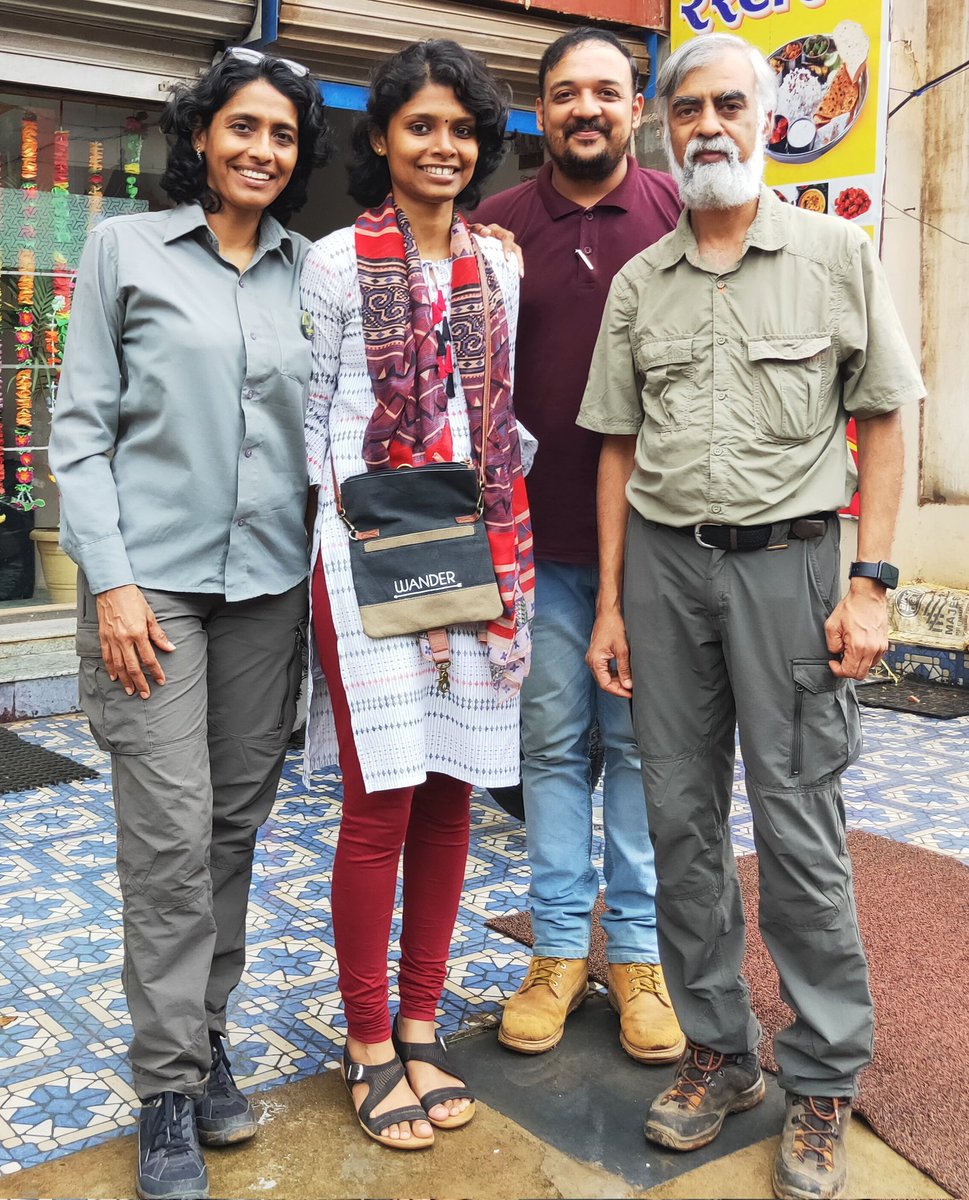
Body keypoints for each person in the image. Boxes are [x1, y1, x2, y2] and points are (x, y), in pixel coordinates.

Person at [578, 33, 924, 1200]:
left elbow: (886, 416)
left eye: (731, 103)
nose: (709, 124)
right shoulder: (640, 283)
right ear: (664, 128)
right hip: (666, 572)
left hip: (793, 569)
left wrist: (872, 583)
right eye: (689, 108)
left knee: (798, 826)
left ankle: (822, 1077)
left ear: (767, 117)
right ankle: (720, 1053)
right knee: (678, 820)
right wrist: (612, 605)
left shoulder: (834, 255)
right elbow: (617, 447)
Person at [50, 49, 328, 1200]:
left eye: (283, 135)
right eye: (243, 127)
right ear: (203, 136)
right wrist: (110, 582)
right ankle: (166, 1086)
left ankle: (206, 1036)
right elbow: (79, 433)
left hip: (268, 588)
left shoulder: (313, 272)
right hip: (150, 592)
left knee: (230, 830)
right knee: (169, 836)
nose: (262, 150)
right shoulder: (126, 250)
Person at [300, 40, 532, 1151]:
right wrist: (358, 536)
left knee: (452, 795)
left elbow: (499, 418)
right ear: (383, 138)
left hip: (477, 557)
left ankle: (422, 1024)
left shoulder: (500, 268)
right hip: (367, 557)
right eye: (420, 125)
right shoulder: (334, 263)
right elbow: (310, 424)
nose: (443, 146)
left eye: (461, 129)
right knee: (380, 800)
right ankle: (366, 1042)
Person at [474, 27, 684, 1063]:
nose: (586, 109)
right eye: (565, 93)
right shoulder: (495, 228)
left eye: (606, 90)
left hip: (661, 548)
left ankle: (637, 955)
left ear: (636, 106)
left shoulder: (682, 216)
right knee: (551, 750)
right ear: (540, 109)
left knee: (643, 753)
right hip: (535, 548)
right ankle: (558, 951)